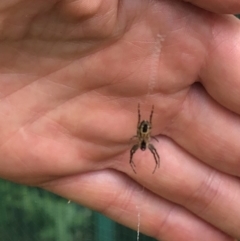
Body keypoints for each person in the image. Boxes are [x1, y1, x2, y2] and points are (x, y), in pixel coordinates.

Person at [0, 1, 240, 240]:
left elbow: (143, 133)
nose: (144, 146)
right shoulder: (143, 136)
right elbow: (142, 132)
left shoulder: (142, 137)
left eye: (143, 145)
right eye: (145, 145)